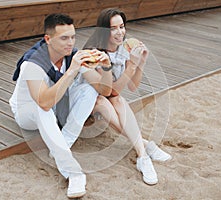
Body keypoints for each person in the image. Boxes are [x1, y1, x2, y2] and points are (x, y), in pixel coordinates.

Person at [9, 13, 112, 198]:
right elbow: (44, 102)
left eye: (73, 37)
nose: (70, 43)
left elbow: (103, 90)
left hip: (56, 106)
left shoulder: (71, 55)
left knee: (89, 90)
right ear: (48, 39)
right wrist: (73, 69)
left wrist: (106, 67)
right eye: (64, 38)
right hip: (28, 112)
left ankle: (64, 142)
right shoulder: (32, 63)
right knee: (41, 108)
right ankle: (74, 173)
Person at [83, 8, 172, 185]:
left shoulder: (123, 49)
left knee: (118, 101)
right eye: (113, 28)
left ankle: (142, 154)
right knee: (105, 100)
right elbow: (109, 91)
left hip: (106, 97)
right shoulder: (95, 53)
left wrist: (140, 63)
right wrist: (131, 65)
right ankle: (145, 148)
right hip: (86, 102)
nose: (120, 32)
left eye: (122, 26)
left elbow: (132, 86)